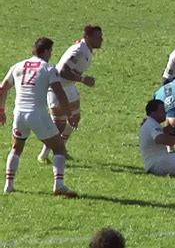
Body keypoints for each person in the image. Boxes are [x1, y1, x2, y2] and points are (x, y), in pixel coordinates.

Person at [0, 37, 78, 197]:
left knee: (16, 148)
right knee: (59, 148)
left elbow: (2, 88)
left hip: (19, 114)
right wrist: (69, 114)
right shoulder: (48, 69)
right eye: (51, 51)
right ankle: (59, 184)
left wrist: (1, 111)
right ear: (46, 51)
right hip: (39, 115)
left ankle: (8, 185)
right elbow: (60, 93)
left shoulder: (18, 66)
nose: (51, 54)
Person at [38, 25, 103, 163]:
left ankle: (61, 149)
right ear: (88, 37)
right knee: (59, 125)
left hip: (69, 86)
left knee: (75, 118)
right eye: (98, 37)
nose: (101, 40)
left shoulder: (85, 49)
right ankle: (44, 155)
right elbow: (62, 71)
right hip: (58, 87)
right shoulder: (79, 51)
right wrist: (83, 79)